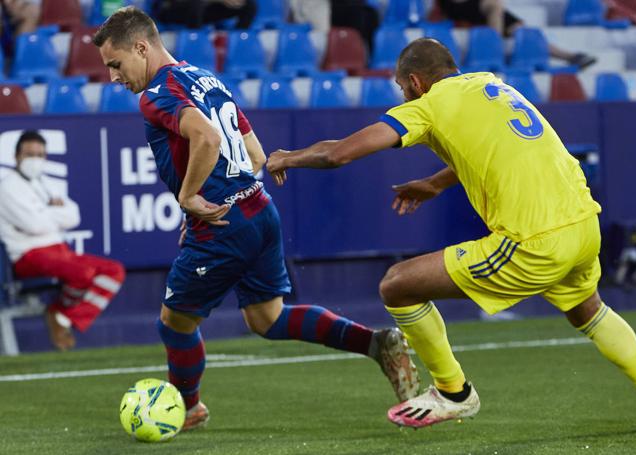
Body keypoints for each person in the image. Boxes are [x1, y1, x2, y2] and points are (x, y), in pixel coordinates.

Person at [265, 38, 636, 430]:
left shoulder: (428, 105)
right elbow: (493, 147)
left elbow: (340, 153)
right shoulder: (492, 86)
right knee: (589, 311)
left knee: (397, 285)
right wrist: (434, 183)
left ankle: (454, 392)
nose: (403, 95)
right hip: (583, 224)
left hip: (534, 239)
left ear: (415, 82)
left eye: (401, 87)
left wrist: (289, 156)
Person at [93, 6, 419, 431]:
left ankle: (188, 409)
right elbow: (256, 155)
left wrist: (191, 197)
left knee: (174, 322)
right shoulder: (203, 76)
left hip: (224, 225)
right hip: (260, 210)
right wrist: (217, 194)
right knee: (267, 319)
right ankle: (377, 342)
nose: (114, 77)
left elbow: (206, 137)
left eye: (116, 65)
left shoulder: (155, 94)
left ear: (141, 47)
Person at [0, 131, 126, 351]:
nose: (35, 159)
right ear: (16, 156)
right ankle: (59, 313)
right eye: (29, 154)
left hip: (60, 251)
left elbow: (74, 216)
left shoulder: (46, 182)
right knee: (82, 273)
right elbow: (35, 225)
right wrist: (54, 212)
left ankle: (64, 317)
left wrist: (44, 213)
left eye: (40, 154)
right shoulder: (7, 187)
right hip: (28, 255)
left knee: (114, 271)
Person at [437, 0, 596, 69]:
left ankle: (569, 56)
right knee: (495, 5)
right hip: (464, 10)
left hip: (488, 14)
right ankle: (494, 50)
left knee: (523, 32)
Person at [151, 0, 257, 30]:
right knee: (197, 4)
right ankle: (195, 40)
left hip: (205, 9)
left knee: (248, 5)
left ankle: (238, 42)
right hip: (172, 10)